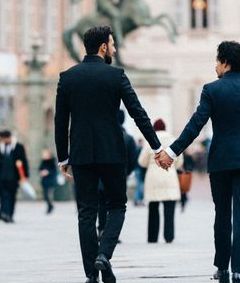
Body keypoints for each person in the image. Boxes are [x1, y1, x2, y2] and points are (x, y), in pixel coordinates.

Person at [156, 41, 240, 283]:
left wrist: (172, 152)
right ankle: (239, 271)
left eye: (217, 61)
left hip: (220, 161)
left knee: (222, 214)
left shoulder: (211, 90)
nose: (215, 66)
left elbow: (195, 125)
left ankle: (222, 268)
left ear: (225, 63)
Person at [54, 26, 163, 283]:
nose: (114, 49)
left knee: (86, 212)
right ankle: (104, 255)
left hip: (81, 154)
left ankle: (92, 275)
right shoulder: (116, 76)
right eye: (113, 45)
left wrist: (63, 157)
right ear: (103, 47)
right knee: (117, 206)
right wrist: (156, 147)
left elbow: (61, 121)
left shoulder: (67, 77)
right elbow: (138, 112)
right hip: (112, 152)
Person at [138, 118, 183, 243]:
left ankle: (152, 237)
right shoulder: (173, 139)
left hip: (153, 177)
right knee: (169, 209)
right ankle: (169, 236)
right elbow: (180, 162)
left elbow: (141, 161)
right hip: (170, 176)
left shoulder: (150, 141)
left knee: (153, 209)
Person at [97, 110, 138, 242]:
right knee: (115, 206)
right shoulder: (129, 138)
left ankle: (102, 229)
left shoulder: (102, 135)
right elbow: (133, 160)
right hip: (119, 176)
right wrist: (127, 172)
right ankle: (111, 233)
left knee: (101, 203)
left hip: (100, 175)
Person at [0, 130, 29, 223]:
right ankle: (5, 214)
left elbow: (24, 161)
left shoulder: (18, 147)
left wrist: (25, 176)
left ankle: (10, 215)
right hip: (3, 177)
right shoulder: (1, 147)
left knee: (12, 196)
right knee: (4, 196)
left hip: (14, 177)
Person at [39, 149, 58, 214]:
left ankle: (50, 207)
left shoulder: (52, 161)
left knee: (48, 195)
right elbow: (40, 169)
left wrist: (48, 172)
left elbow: (54, 171)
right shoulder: (43, 161)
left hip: (50, 181)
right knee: (45, 196)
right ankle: (50, 206)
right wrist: (42, 172)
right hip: (44, 181)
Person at [132, 138, 146, 207]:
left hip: (136, 169)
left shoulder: (136, 149)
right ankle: (137, 199)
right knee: (140, 185)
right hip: (140, 170)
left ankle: (137, 200)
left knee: (139, 185)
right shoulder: (141, 150)